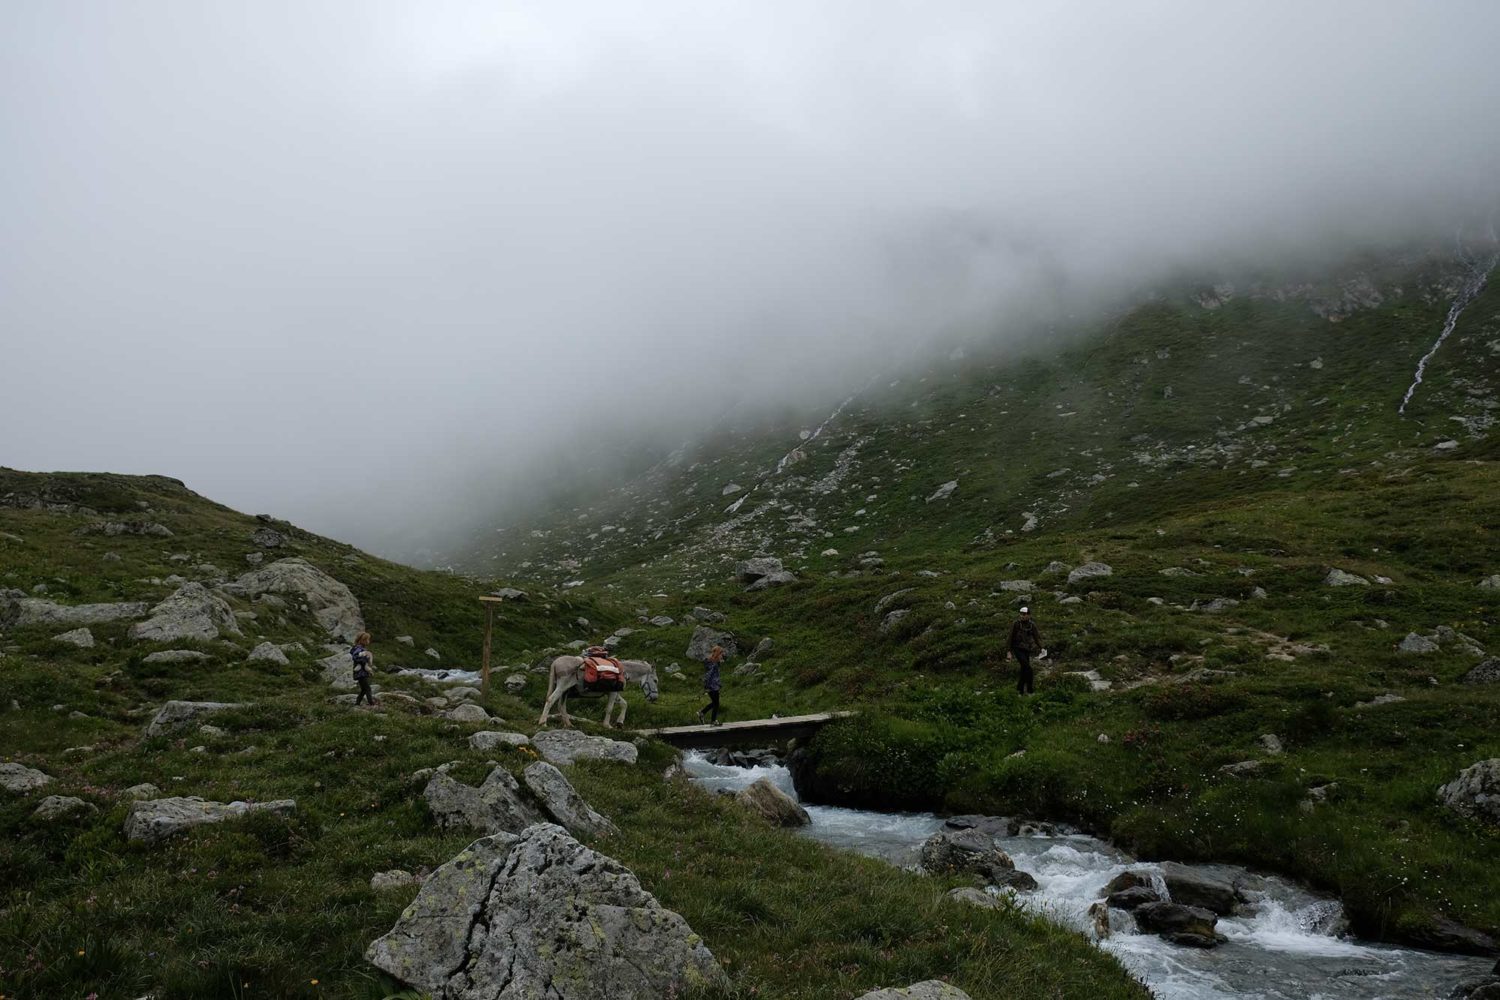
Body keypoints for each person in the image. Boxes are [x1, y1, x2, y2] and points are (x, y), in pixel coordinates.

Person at [1006, 607, 1042, 695]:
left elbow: (1037, 638)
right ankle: (1030, 690)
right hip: (1017, 648)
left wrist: (1042, 648)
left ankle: (1020, 691)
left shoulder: (1032, 625)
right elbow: (1010, 638)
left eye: (1024, 614)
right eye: (1021, 614)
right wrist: (1008, 651)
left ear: (1029, 615)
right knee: (1028, 669)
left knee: (1024, 670)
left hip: (1027, 649)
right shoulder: (1016, 624)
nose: (1022, 616)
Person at [696, 645, 724, 726]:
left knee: (715, 703)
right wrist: (707, 686)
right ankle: (712, 720)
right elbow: (709, 675)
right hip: (712, 686)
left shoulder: (712, 662)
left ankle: (702, 713)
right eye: (721, 654)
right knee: (716, 703)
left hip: (713, 685)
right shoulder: (713, 663)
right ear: (717, 654)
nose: (722, 656)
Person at [351, 631, 377, 707]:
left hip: (361, 672)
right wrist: (365, 658)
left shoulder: (360, 648)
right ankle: (371, 703)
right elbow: (356, 657)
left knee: (363, 689)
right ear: (362, 640)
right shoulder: (359, 649)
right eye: (367, 640)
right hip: (360, 672)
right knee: (368, 688)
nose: (368, 641)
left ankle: (357, 703)